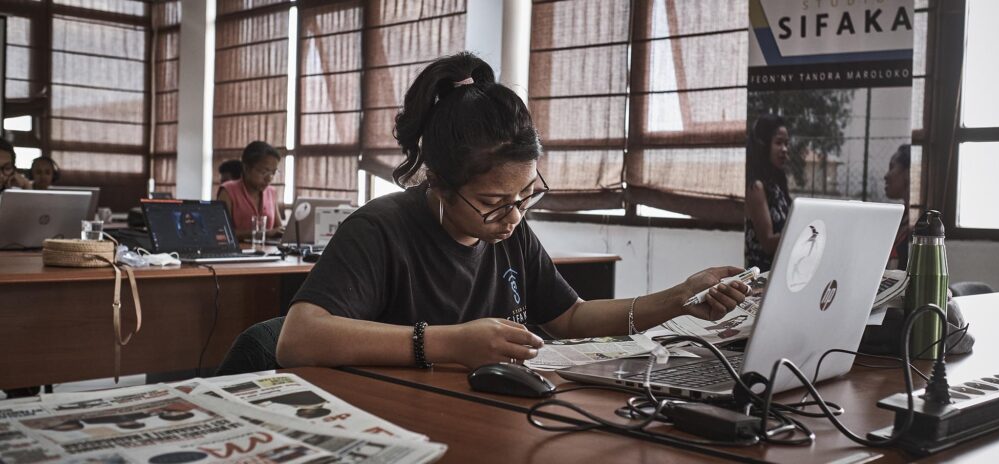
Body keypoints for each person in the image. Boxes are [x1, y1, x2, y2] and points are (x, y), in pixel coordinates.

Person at [276, 52, 749, 370]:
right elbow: (298, 339)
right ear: (437, 182)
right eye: (492, 203)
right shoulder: (381, 230)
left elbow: (570, 318)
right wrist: (447, 342)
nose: (514, 215)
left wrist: (678, 298)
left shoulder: (510, 231)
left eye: (525, 196)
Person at [744, 113, 791, 272]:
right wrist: (799, 230)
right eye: (778, 143)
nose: (785, 149)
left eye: (786, 143)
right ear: (763, 145)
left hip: (779, 270)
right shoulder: (756, 187)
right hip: (761, 277)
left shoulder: (777, 183)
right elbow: (768, 243)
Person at [217, 141, 284, 240]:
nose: (269, 178)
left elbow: (278, 228)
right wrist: (261, 234)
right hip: (239, 252)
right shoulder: (228, 191)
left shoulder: (271, 192)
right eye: (264, 171)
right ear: (246, 168)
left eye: (273, 173)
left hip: (269, 253)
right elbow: (221, 232)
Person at [884, 144, 912, 269]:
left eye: (892, 167)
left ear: (908, 173)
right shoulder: (900, 218)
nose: (886, 176)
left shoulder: (924, 223)